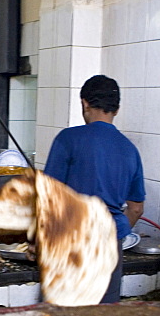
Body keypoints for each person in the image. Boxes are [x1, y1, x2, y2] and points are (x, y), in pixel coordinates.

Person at [43, 74, 146, 302]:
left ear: (84, 103)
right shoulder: (130, 149)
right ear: (116, 109)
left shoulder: (68, 138)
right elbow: (136, 208)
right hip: (111, 243)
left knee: (63, 315)